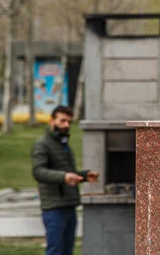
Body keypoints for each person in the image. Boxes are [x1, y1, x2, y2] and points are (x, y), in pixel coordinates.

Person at [32, 105, 99, 255]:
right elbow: (38, 171)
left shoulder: (63, 145)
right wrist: (64, 177)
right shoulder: (42, 144)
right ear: (52, 121)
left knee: (67, 251)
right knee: (56, 251)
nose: (66, 125)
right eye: (62, 121)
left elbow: (68, 173)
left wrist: (84, 175)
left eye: (69, 122)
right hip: (54, 207)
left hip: (69, 205)